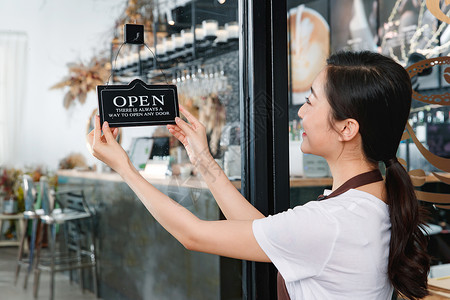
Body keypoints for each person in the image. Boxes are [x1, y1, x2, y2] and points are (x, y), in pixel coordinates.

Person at [87, 51, 430, 300]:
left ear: (346, 128)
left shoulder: (332, 223)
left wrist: (124, 167)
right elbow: (264, 232)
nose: (300, 111)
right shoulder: (370, 200)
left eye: (311, 102)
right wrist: (204, 160)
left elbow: (192, 235)